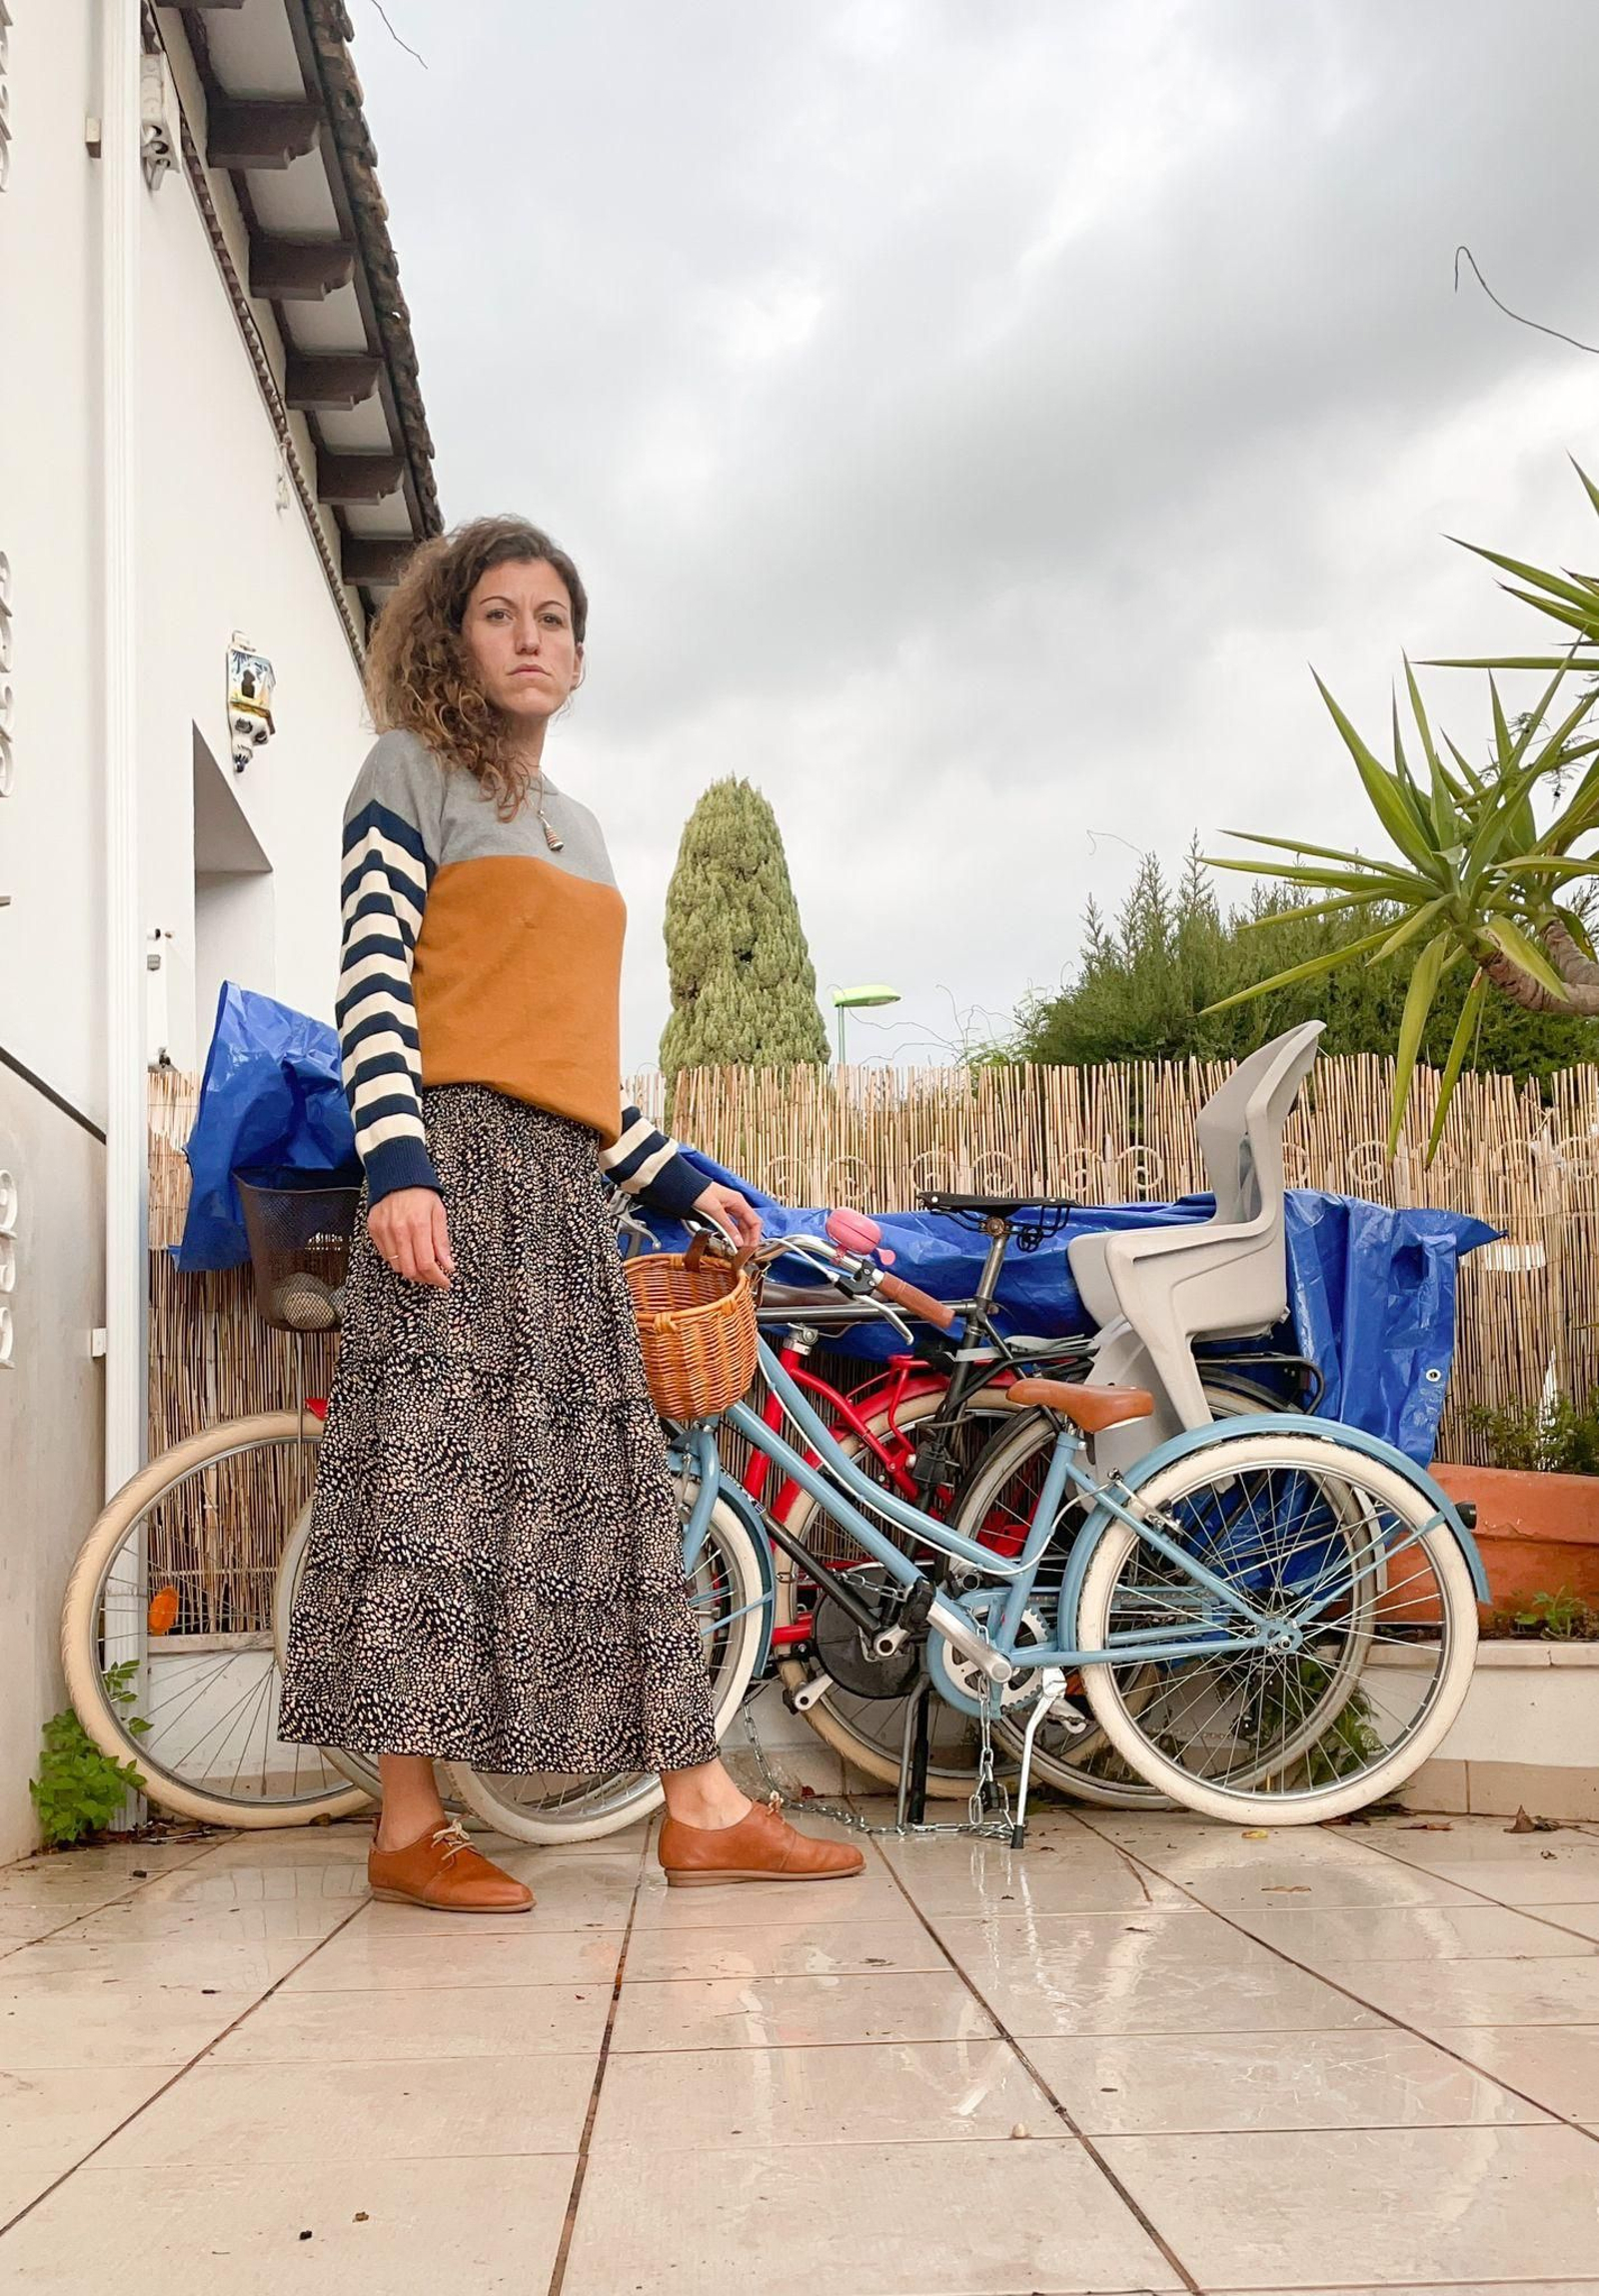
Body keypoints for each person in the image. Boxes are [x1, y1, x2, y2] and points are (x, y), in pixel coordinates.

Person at [278, 515, 862, 1910]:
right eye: (499, 612)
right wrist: (401, 1165)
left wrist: (689, 1177)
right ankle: (407, 1826)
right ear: (452, 637)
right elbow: (372, 988)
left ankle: (702, 1804)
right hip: (450, 1167)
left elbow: (581, 1076)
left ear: (578, 653)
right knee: (431, 1496)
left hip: (560, 1192)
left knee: (611, 1500)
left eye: (553, 616)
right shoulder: (404, 773)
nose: (529, 635)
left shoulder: (584, 831)